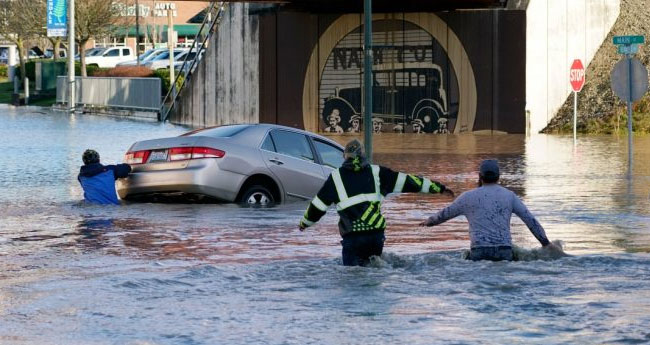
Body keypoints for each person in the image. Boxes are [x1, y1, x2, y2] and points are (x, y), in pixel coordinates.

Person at [299, 139, 454, 266]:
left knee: (352, 278)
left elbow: (318, 206)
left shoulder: (336, 177)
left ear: (345, 157)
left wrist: (304, 223)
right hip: (376, 236)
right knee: (375, 269)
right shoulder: (377, 172)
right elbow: (410, 181)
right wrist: (439, 188)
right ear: (363, 155)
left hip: (353, 238)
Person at [420, 159, 562, 261]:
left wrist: (428, 222)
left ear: (480, 177)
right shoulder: (509, 196)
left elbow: (444, 215)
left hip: (478, 252)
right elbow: (530, 221)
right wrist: (546, 244)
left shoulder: (467, 197)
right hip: (504, 252)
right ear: (498, 177)